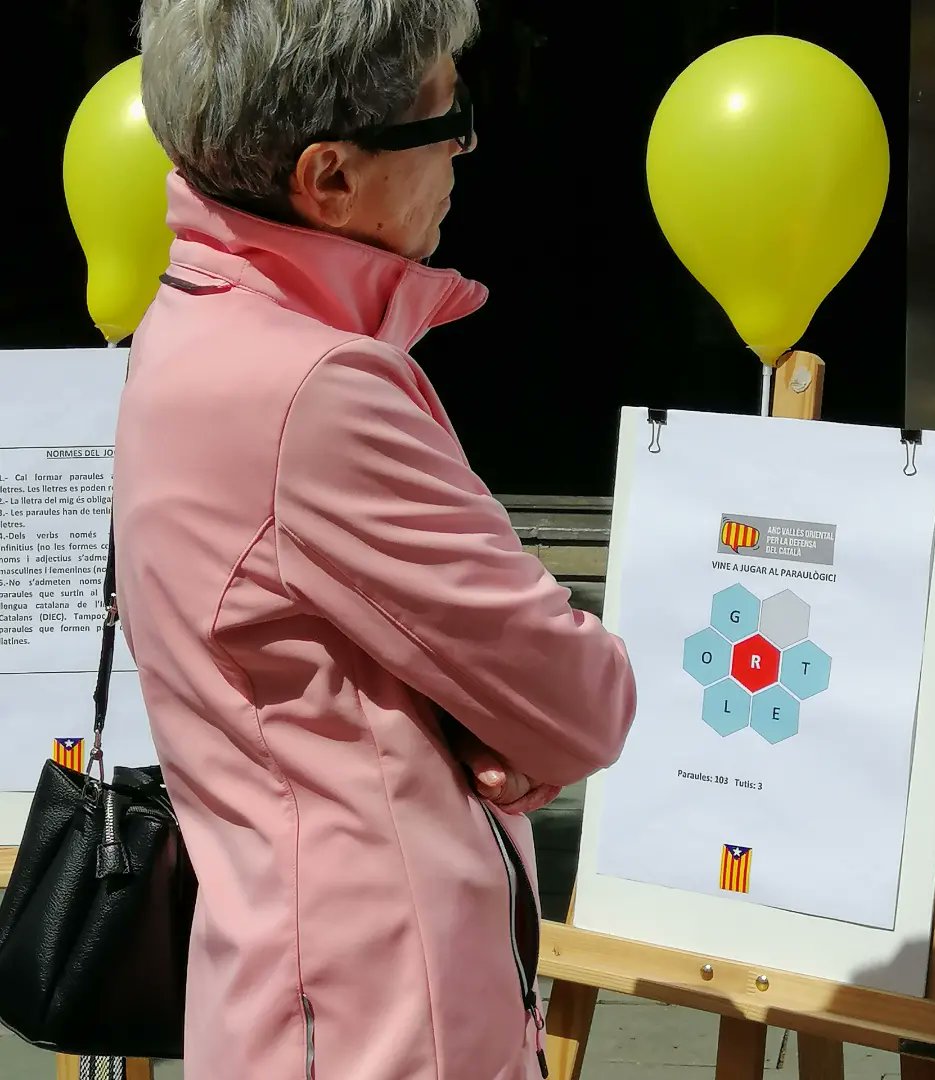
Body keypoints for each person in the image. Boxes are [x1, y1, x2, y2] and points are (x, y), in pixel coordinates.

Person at [113, 3, 637, 1078]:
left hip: (296, 984)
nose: (464, 150)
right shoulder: (317, 387)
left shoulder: (199, 318)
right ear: (330, 179)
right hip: (388, 1020)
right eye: (447, 119)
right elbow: (583, 698)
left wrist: (488, 720)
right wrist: (500, 726)